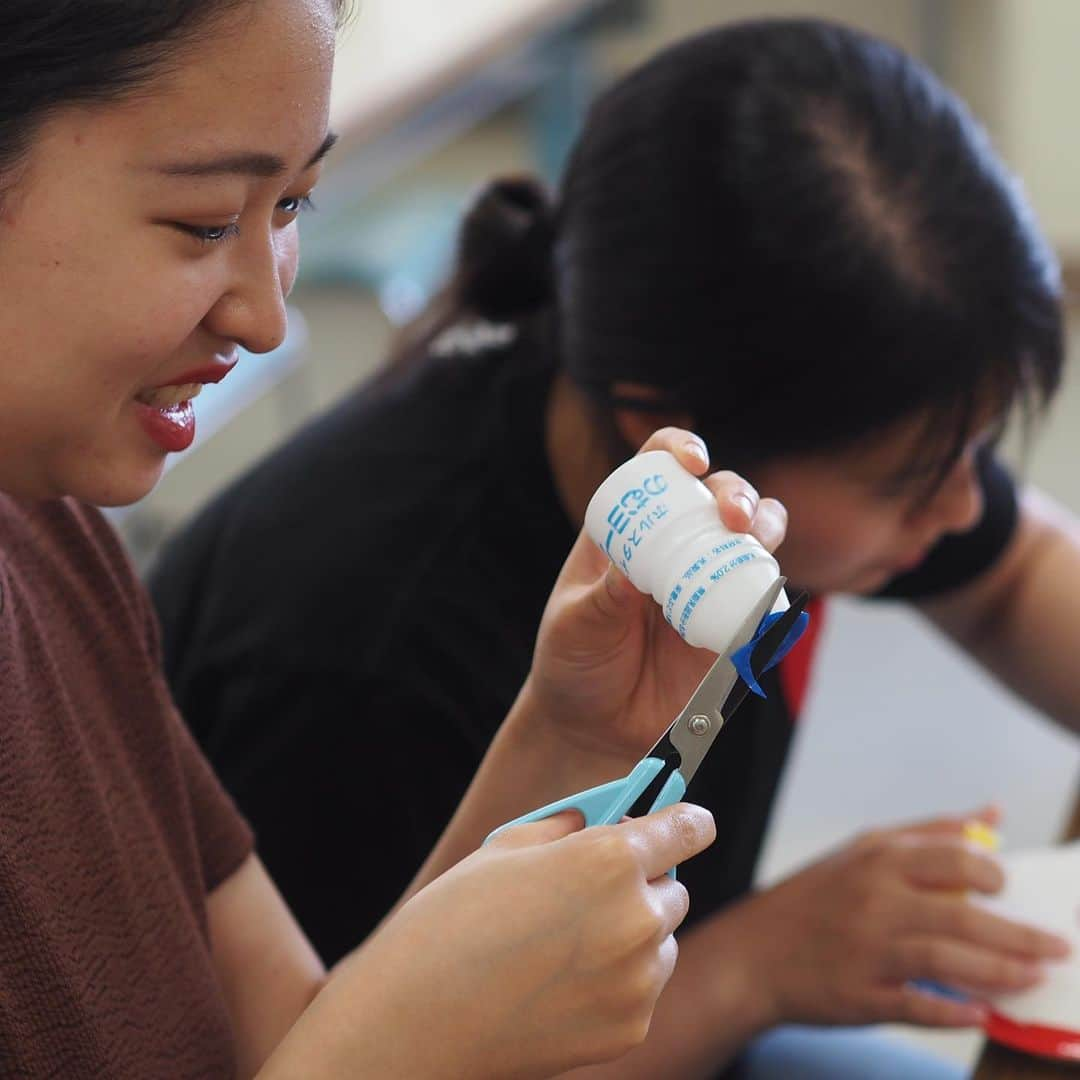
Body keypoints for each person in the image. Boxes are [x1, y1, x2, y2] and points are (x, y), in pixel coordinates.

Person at [150, 16, 1080, 1080]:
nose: (966, 512)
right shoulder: (363, 661)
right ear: (676, 424)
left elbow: (1015, 576)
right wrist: (756, 967)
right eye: (915, 474)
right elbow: (420, 1054)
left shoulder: (735, 461)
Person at [0, 3, 804, 1077]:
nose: (265, 315)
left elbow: (295, 1032)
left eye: (290, 204)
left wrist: (574, 741)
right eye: (202, 223)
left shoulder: (51, 536)